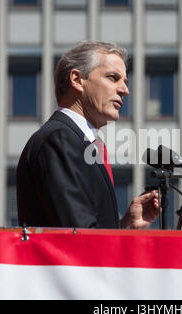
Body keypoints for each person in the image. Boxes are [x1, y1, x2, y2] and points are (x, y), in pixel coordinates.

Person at [16, 41, 159, 229]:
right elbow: (79, 238)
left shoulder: (77, 142)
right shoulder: (59, 140)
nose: (125, 90)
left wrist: (125, 225)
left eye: (124, 82)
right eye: (112, 77)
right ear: (76, 79)